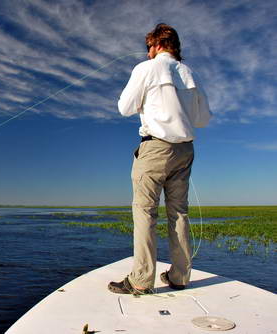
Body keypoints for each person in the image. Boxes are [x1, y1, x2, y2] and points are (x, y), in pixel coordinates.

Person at [108, 23, 212, 294]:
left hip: (155, 149)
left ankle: (141, 280)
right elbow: (202, 120)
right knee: (179, 214)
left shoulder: (147, 68)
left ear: (155, 45)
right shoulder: (191, 74)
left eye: (148, 47)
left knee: (145, 213)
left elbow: (124, 107)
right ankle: (179, 277)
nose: (147, 52)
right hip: (185, 151)